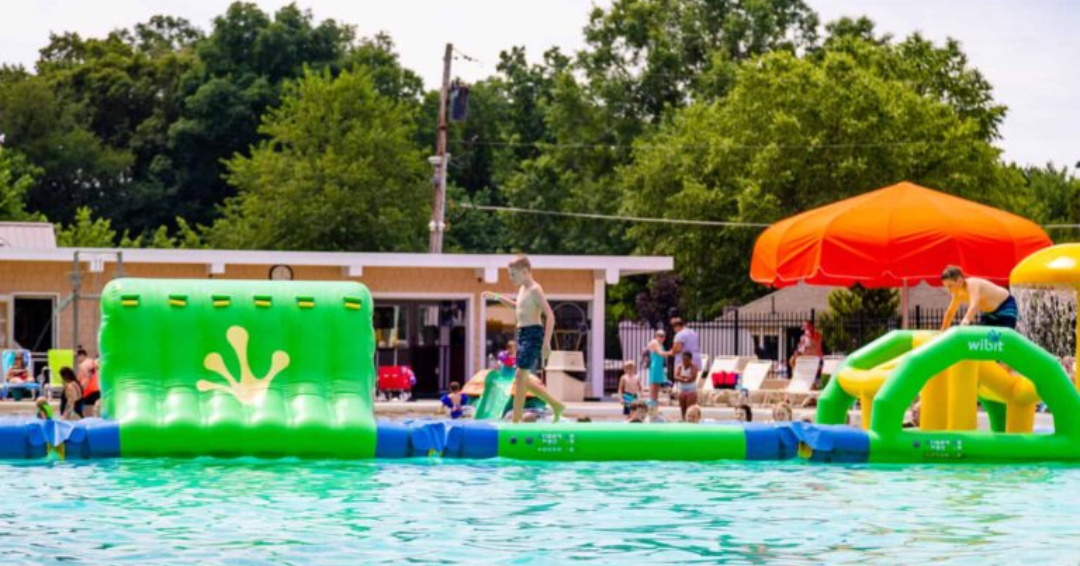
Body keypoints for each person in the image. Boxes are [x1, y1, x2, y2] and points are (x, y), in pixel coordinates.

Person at [481, 255, 566, 423]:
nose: (511, 278)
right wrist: (497, 297)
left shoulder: (535, 289)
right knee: (522, 379)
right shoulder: (522, 289)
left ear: (525, 271)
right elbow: (515, 306)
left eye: (513, 274)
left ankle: (516, 420)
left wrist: (547, 342)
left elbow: (550, 315)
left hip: (533, 333)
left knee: (520, 377)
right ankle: (556, 405)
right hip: (523, 335)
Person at [940, 265, 1018, 329]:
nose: (949, 290)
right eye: (946, 287)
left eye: (950, 286)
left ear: (960, 281)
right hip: (989, 314)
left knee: (1003, 339)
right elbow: (950, 312)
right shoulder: (957, 293)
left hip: (1005, 306)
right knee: (982, 338)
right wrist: (943, 330)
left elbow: (974, 305)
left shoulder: (972, 285)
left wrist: (964, 324)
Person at [644, 329, 668, 414]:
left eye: (663, 336)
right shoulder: (654, 342)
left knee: (657, 388)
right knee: (653, 387)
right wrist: (672, 352)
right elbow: (660, 353)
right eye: (660, 335)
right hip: (655, 367)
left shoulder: (660, 344)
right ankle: (651, 408)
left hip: (659, 367)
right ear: (656, 336)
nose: (662, 337)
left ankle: (655, 409)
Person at [76, 347, 101, 417]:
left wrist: (80, 391)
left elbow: (83, 379)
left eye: (77, 357)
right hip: (97, 390)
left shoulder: (82, 365)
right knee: (96, 412)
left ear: (82, 355)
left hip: (88, 392)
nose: (77, 359)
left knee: (87, 414)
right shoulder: (93, 362)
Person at [674, 351, 699, 421]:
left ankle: (691, 421)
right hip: (682, 389)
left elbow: (693, 378)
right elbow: (675, 376)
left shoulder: (693, 367)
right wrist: (684, 378)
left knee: (690, 408)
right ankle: (683, 419)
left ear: (690, 360)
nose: (685, 361)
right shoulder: (679, 366)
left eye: (686, 360)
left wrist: (682, 377)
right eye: (683, 360)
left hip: (691, 390)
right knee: (683, 407)